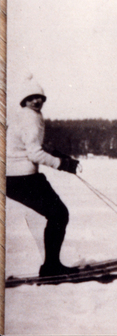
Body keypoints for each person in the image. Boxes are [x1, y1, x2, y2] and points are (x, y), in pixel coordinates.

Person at [6, 75, 81, 277]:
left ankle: (51, 266)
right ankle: (51, 268)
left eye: (40, 97)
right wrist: (62, 164)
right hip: (22, 178)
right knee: (59, 215)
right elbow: (34, 153)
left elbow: (33, 145)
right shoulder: (31, 117)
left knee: (57, 214)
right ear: (25, 101)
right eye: (32, 98)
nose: (37, 101)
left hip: (14, 178)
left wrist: (58, 155)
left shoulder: (24, 115)